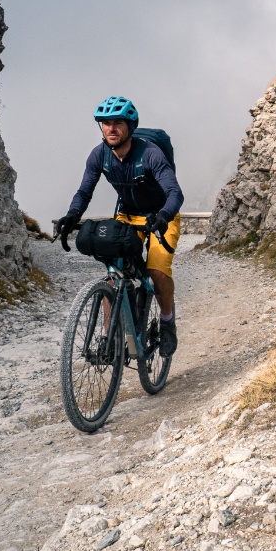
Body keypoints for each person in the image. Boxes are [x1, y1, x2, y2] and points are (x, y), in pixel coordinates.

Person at [55, 96, 184, 357]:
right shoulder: (99, 155)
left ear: (130, 126)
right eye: (105, 123)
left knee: (157, 271)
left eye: (117, 123)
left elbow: (174, 192)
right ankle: (110, 337)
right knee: (115, 274)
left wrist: (164, 215)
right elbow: (84, 191)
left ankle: (168, 323)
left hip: (160, 216)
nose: (110, 129)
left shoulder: (150, 153)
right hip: (127, 215)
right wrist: (72, 214)